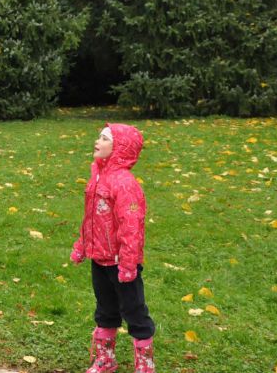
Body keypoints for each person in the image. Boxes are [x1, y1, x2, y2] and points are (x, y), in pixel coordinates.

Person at [70, 123, 156, 372]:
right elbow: (91, 219)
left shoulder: (124, 184)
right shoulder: (98, 176)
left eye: (105, 138)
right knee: (105, 310)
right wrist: (82, 246)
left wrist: (128, 265)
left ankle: (145, 365)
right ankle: (106, 359)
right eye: (99, 136)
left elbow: (132, 226)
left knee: (135, 312)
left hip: (121, 263)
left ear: (119, 148)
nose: (97, 141)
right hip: (99, 258)